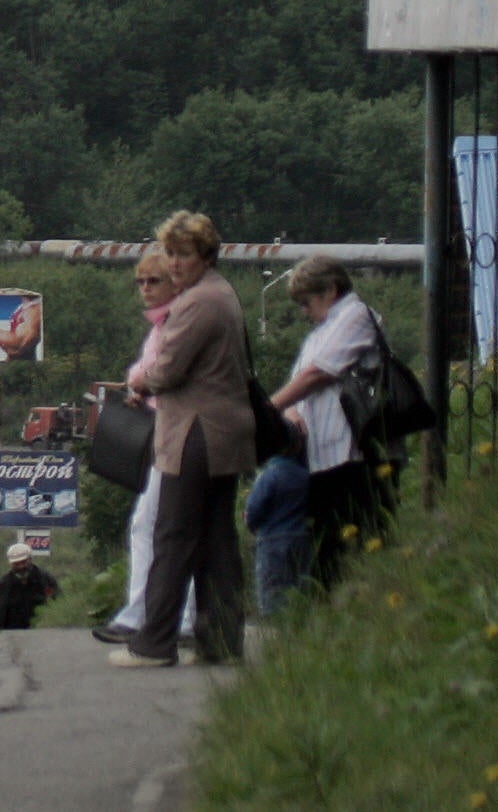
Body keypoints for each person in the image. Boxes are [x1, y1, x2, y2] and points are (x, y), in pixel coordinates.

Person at [115, 210, 254, 669]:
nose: (174, 264)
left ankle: (154, 643)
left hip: (196, 431)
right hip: (223, 431)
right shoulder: (221, 294)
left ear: (205, 255)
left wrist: (140, 381)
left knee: (172, 535)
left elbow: (168, 367)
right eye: (171, 253)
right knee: (216, 539)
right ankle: (220, 640)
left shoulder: (197, 303)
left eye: (184, 254)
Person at [94, 250, 195, 650]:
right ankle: (163, 614)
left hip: (180, 434)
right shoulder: (161, 325)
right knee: (160, 524)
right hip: (165, 431)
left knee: (158, 524)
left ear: (175, 282)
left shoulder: (177, 322)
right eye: (140, 282)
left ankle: (149, 614)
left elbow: (160, 372)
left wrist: (140, 383)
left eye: (153, 281)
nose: (145, 290)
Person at [270, 254, 383, 590]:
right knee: (324, 543)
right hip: (322, 454)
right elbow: (300, 380)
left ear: (330, 290)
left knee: (348, 541)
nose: (305, 311)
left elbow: (317, 374)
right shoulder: (322, 331)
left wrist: (270, 406)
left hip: (353, 450)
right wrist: (289, 410)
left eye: (308, 302)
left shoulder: (355, 316)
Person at [245, 450, 311, 619]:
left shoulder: (270, 475)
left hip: (271, 540)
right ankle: (298, 618)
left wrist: (251, 524)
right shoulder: (305, 476)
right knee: (298, 583)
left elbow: (254, 508)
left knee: (272, 589)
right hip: (300, 536)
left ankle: (274, 623)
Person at [0, 542, 58, 630]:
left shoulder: (46, 581)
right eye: (16, 564)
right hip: (12, 637)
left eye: (23, 562)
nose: (21, 567)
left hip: (41, 634)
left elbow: (57, 604)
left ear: (30, 559)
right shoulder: (3, 585)